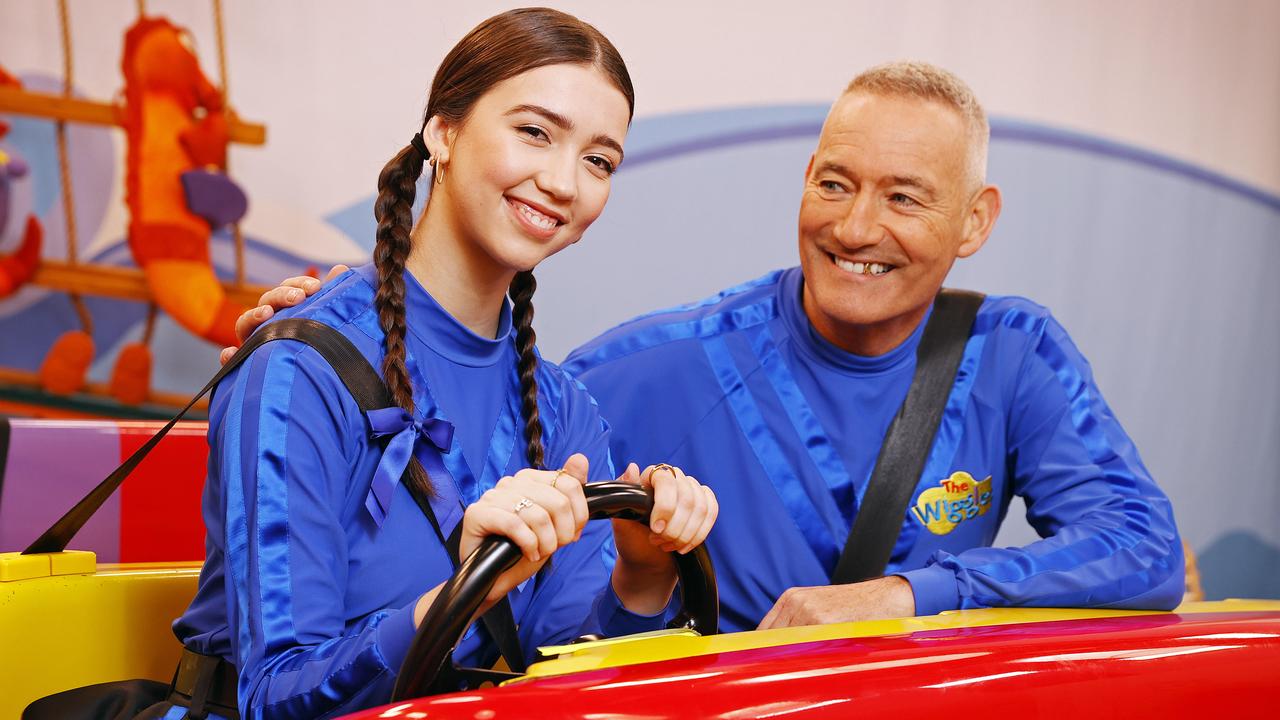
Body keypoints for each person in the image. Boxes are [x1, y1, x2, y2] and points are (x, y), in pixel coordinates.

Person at [239, 62, 1183, 637]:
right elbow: (483, 389)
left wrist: (905, 596)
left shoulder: (1010, 351)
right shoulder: (657, 364)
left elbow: (1142, 552)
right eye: (834, 183)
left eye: (904, 197)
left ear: (975, 221)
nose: (857, 226)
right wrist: (350, 321)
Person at [174, 8, 716, 720]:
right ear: (444, 132)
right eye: (534, 132)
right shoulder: (297, 371)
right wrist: (463, 595)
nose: (562, 181)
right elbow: (275, 697)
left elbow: (567, 678)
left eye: (598, 160)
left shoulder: (563, 410)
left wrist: (641, 577)